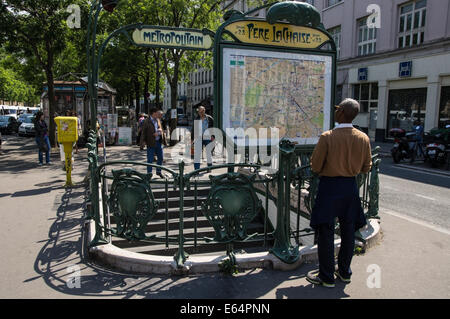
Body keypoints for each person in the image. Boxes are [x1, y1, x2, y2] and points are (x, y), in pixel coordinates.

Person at [306, 98, 372, 288]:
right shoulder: (363, 138)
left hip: (329, 187)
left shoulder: (327, 137)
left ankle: (326, 276)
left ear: (341, 112)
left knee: (326, 231)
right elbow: (366, 167)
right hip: (350, 188)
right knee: (349, 230)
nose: (335, 111)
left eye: (337, 109)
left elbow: (316, 166)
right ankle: (344, 272)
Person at [140, 108, 164, 178]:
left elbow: (161, 129)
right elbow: (143, 132)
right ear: (153, 113)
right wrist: (143, 142)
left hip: (158, 142)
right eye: (157, 113)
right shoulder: (146, 121)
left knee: (160, 158)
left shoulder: (158, 120)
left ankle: (159, 172)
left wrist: (160, 131)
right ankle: (149, 174)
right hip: (150, 142)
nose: (158, 114)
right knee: (150, 159)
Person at [191, 105, 214, 170]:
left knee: (208, 153)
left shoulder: (209, 118)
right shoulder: (196, 118)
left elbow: (214, 128)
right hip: (198, 138)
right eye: (199, 112)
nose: (200, 113)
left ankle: (209, 167)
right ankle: (196, 169)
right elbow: (193, 129)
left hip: (208, 137)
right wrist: (192, 139)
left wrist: (213, 136)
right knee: (197, 154)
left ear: (204, 111)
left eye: (201, 111)